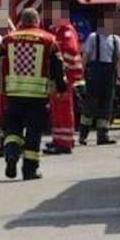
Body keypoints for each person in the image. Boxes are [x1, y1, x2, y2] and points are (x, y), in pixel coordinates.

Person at [0, 8, 66, 181]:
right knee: (33, 132)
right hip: (37, 96)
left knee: (13, 129)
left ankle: (11, 154)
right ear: (37, 21)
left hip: (13, 94)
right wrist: (61, 86)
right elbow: (58, 64)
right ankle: (29, 170)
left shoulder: (8, 40)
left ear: (22, 21)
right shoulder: (49, 39)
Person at [79, 22, 120, 146]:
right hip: (95, 73)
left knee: (107, 105)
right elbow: (86, 56)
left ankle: (103, 136)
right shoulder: (93, 37)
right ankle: (83, 135)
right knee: (91, 104)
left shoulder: (116, 40)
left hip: (109, 74)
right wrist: (80, 73)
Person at [43, 10, 84, 155]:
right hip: (58, 76)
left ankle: (64, 142)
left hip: (64, 77)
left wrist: (54, 46)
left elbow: (70, 50)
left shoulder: (67, 31)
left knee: (63, 110)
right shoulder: (58, 31)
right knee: (57, 110)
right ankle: (59, 139)